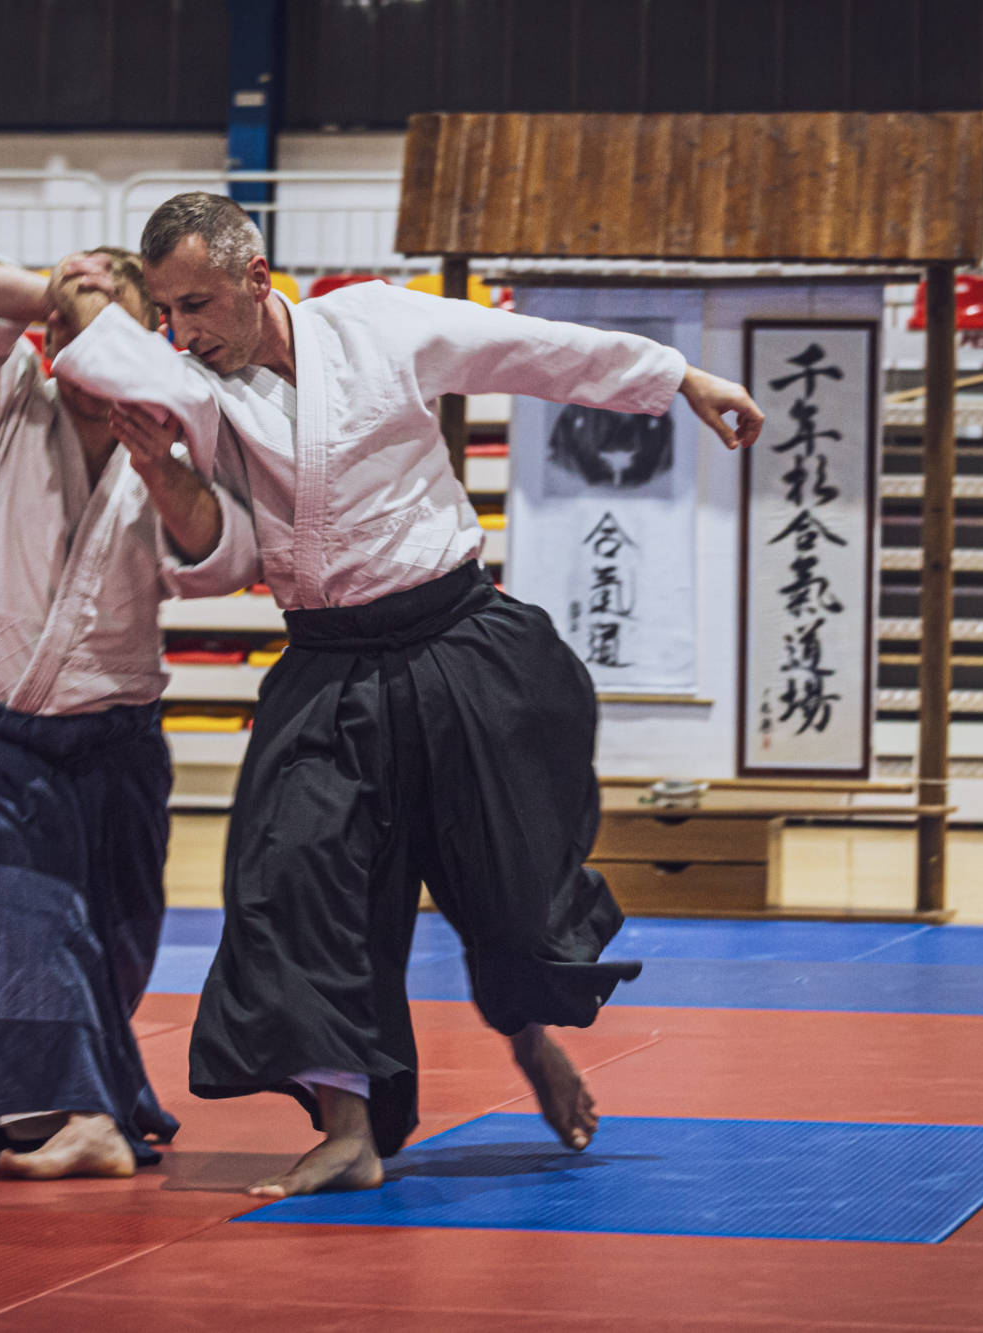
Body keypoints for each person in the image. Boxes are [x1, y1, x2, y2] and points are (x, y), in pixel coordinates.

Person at [53, 193, 764, 1199]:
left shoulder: (375, 324)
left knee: (509, 898)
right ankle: (350, 1127)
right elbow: (220, 560)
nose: (182, 331)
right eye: (166, 310)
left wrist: (678, 377)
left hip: (457, 645)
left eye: (198, 304)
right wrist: (163, 472)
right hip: (327, 666)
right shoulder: (192, 390)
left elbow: (529, 349)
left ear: (257, 279)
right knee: (293, 882)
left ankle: (530, 1042)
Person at [0, 246, 256, 1179]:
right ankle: (83, 1113)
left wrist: (164, 471)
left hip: (118, 740)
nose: (68, 334)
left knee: (116, 933)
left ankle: (28, 1105)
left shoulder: (181, 428)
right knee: (31, 910)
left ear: (143, 339)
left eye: (101, 320)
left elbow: (223, 560)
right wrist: (73, 293)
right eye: (60, 320)